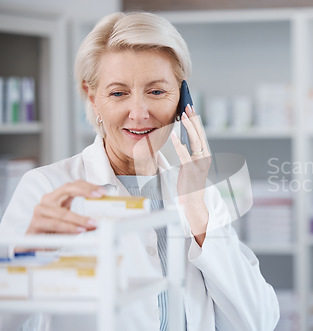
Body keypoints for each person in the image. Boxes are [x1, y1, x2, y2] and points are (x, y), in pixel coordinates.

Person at [0, 12, 279, 331]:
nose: (139, 113)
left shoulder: (198, 193)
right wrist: (26, 257)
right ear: (93, 98)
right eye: (118, 93)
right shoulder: (45, 189)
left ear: (182, 101)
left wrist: (198, 216)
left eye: (157, 92)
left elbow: (259, 321)